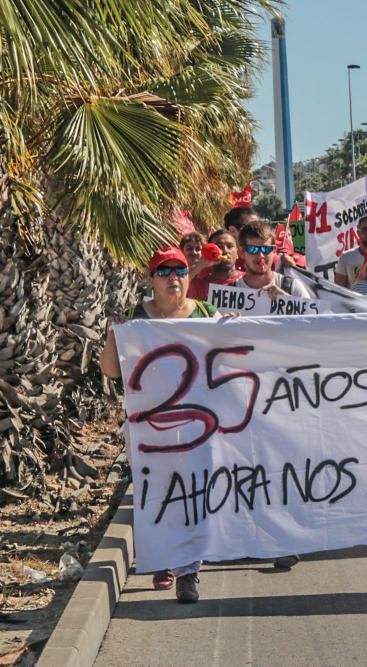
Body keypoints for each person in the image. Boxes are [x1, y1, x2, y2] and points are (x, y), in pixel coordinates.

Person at [99, 247, 228, 603]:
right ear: (151, 279)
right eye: (165, 271)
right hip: (152, 428)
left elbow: (233, 359)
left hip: (199, 425)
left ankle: (189, 572)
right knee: (158, 493)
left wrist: (234, 329)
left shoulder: (206, 314)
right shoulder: (138, 319)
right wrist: (115, 333)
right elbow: (111, 370)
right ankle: (164, 559)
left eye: (181, 270)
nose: (174, 277)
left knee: (194, 494)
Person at [235, 220, 313, 300]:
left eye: (266, 249)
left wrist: (288, 300)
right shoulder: (230, 291)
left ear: (274, 250)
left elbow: (314, 312)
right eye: (253, 249)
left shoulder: (292, 287)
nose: (261, 255)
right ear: (241, 252)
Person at [187, 229, 244, 300]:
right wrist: (201, 264)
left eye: (229, 246)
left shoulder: (251, 280)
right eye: (219, 247)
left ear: (237, 253)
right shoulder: (198, 284)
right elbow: (180, 281)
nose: (225, 250)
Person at [334, 216, 367, 288]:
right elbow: (339, 290)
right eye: (365, 229)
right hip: (354, 298)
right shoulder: (346, 257)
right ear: (358, 233)